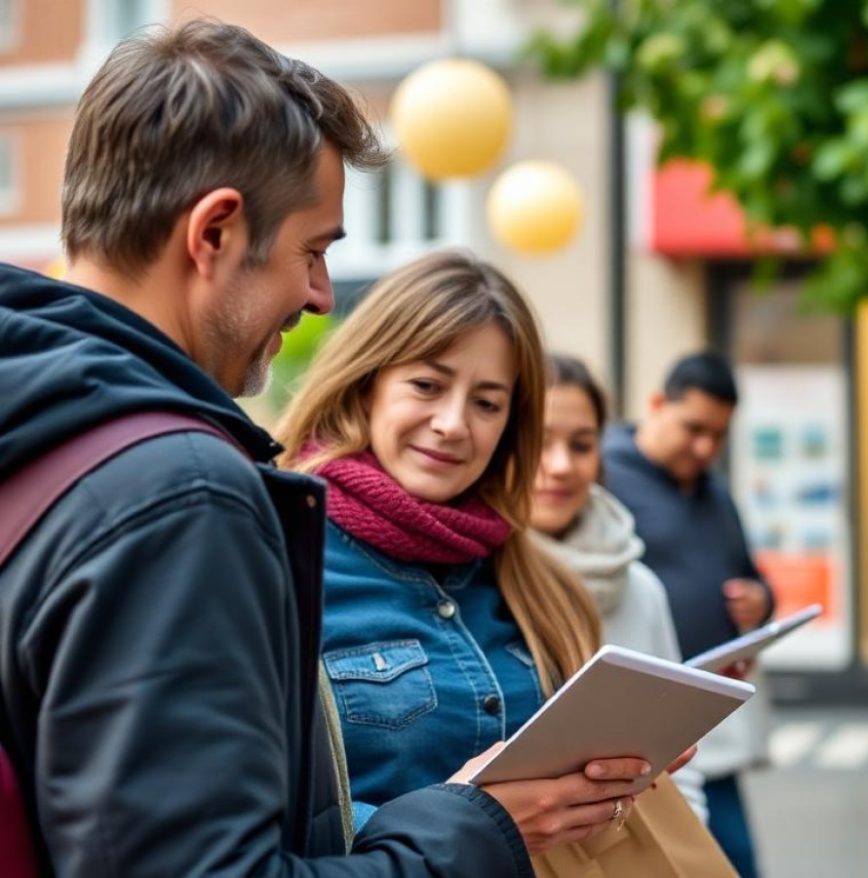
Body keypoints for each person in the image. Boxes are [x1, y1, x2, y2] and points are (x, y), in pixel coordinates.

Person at [0, 21, 532, 876]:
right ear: (213, 233)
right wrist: (473, 828)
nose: (320, 296)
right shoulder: (178, 492)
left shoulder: (39, 419)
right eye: (313, 251)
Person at [276, 251, 687, 859]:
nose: (452, 424)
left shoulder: (538, 578)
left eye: (487, 402)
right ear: (366, 386)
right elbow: (267, 813)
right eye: (427, 385)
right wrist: (470, 817)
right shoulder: (284, 560)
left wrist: (614, 776)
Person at [602, 351, 775, 878]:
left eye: (718, 436)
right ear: (657, 405)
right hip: (636, 725)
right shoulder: (604, 476)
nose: (706, 448)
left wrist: (761, 602)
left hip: (708, 718)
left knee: (733, 861)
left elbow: (753, 574)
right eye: (694, 429)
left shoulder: (715, 491)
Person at [528, 353, 708, 821]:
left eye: (581, 444)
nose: (561, 465)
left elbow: (677, 753)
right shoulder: (471, 580)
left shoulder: (639, 586)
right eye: (538, 442)